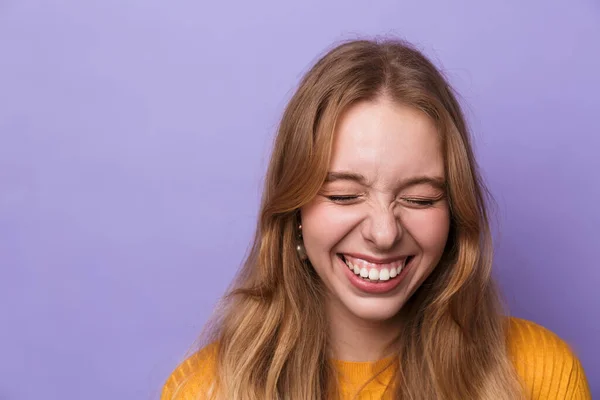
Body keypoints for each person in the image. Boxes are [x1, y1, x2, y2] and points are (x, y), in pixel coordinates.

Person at [161, 38, 591, 399]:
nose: (383, 234)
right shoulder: (205, 389)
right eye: (344, 195)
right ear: (292, 210)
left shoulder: (538, 374)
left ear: (455, 212)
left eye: (420, 199)